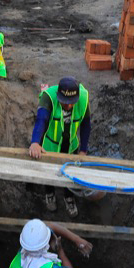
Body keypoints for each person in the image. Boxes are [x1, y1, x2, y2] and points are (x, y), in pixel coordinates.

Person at [26, 77, 91, 217]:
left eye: (71, 103)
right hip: (50, 144)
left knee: (70, 172)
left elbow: (86, 125)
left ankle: (69, 196)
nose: (68, 106)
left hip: (71, 145)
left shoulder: (83, 99)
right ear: (58, 96)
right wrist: (35, 142)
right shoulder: (48, 97)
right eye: (64, 103)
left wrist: (83, 151)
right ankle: (49, 193)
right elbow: (41, 120)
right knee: (49, 170)